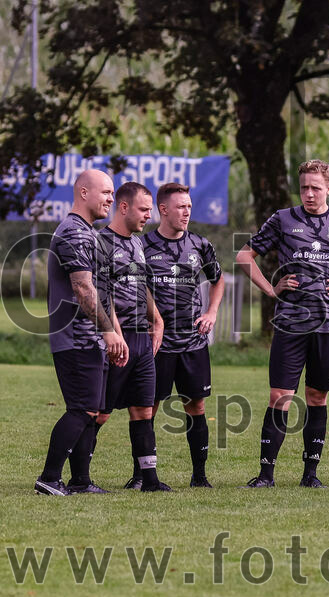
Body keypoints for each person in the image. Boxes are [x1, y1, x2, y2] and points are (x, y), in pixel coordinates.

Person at [237, 159, 329, 488]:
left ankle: (310, 475)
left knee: (317, 397)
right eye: (304, 187)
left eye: (315, 188)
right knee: (280, 396)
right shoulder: (283, 220)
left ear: (328, 189)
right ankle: (265, 475)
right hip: (291, 323)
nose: (308, 193)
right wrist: (271, 289)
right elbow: (244, 256)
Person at [36, 169, 128, 496]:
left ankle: (80, 481)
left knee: (93, 411)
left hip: (93, 338)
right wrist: (108, 332)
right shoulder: (74, 233)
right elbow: (83, 289)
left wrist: (115, 332)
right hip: (75, 337)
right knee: (82, 408)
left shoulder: (90, 234)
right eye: (105, 192)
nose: (111, 199)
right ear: (84, 193)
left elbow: (103, 291)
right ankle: (49, 478)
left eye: (113, 193)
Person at [143, 182, 224, 488]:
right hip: (156, 344)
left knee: (197, 407)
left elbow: (218, 280)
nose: (186, 211)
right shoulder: (143, 246)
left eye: (189, 206)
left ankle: (199, 476)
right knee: (147, 407)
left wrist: (212, 312)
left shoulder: (200, 244)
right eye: (180, 207)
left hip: (192, 342)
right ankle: (142, 474)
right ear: (163, 210)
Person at [96, 182, 171, 492]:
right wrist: (113, 332)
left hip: (141, 339)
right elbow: (102, 293)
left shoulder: (138, 244)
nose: (148, 216)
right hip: (117, 339)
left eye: (150, 210)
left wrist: (158, 319)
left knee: (143, 409)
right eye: (143, 210)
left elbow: (140, 286)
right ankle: (78, 478)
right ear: (123, 207)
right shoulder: (101, 242)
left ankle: (148, 479)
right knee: (99, 413)